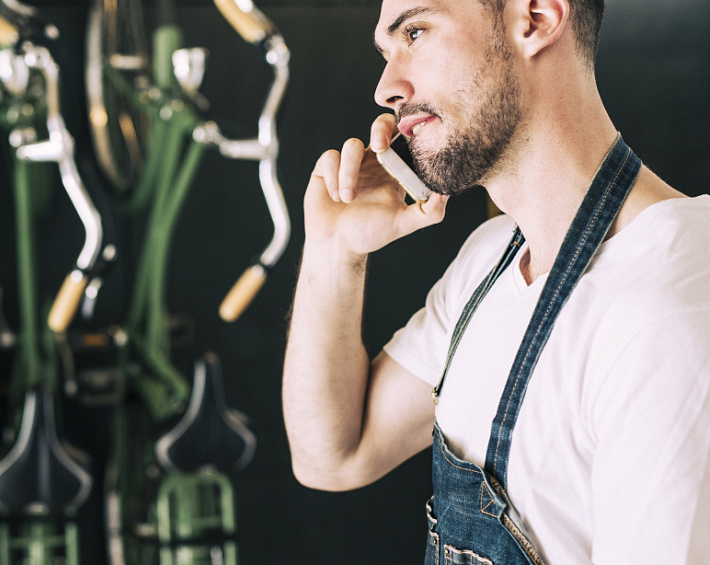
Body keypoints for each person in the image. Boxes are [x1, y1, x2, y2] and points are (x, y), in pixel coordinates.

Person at [282, 0, 710, 563]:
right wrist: (334, 250)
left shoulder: (668, 310)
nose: (386, 87)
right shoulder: (490, 262)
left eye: (415, 31)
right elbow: (333, 455)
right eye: (386, 53)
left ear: (536, 18)